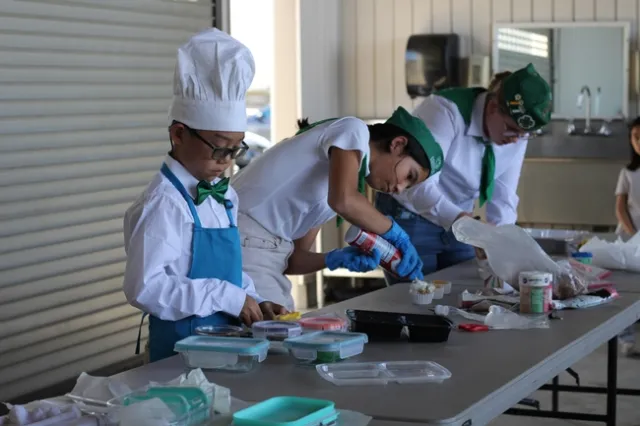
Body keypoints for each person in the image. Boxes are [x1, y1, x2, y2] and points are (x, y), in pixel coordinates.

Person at [122, 29, 286, 363]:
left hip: (228, 346)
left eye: (235, 150)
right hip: (181, 356)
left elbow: (230, 271)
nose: (226, 162)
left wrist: (252, 301)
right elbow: (145, 287)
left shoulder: (224, 198)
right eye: (219, 148)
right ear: (179, 133)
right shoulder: (164, 203)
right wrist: (226, 296)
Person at [230, 108, 445, 310]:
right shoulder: (353, 129)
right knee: (277, 336)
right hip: (245, 238)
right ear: (397, 144)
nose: (400, 189)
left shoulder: (336, 188)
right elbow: (344, 200)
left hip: (261, 251)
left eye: (409, 186)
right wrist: (397, 235)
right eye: (409, 176)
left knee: (283, 333)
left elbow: (293, 260)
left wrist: (334, 258)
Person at [376, 64, 552, 283]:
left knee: (464, 295)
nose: (515, 139)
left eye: (524, 134)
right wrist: (467, 225)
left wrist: (499, 241)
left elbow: (504, 195)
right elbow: (416, 185)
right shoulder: (444, 112)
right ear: (493, 106)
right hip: (410, 214)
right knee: (415, 299)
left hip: (458, 218)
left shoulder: (515, 136)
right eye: (511, 129)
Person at [615, 117, 640, 357]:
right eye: (636, 137)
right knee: (629, 289)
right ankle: (626, 338)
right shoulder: (629, 172)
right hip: (630, 236)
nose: (639, 142)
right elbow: (620, 207)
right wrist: (634, 234)